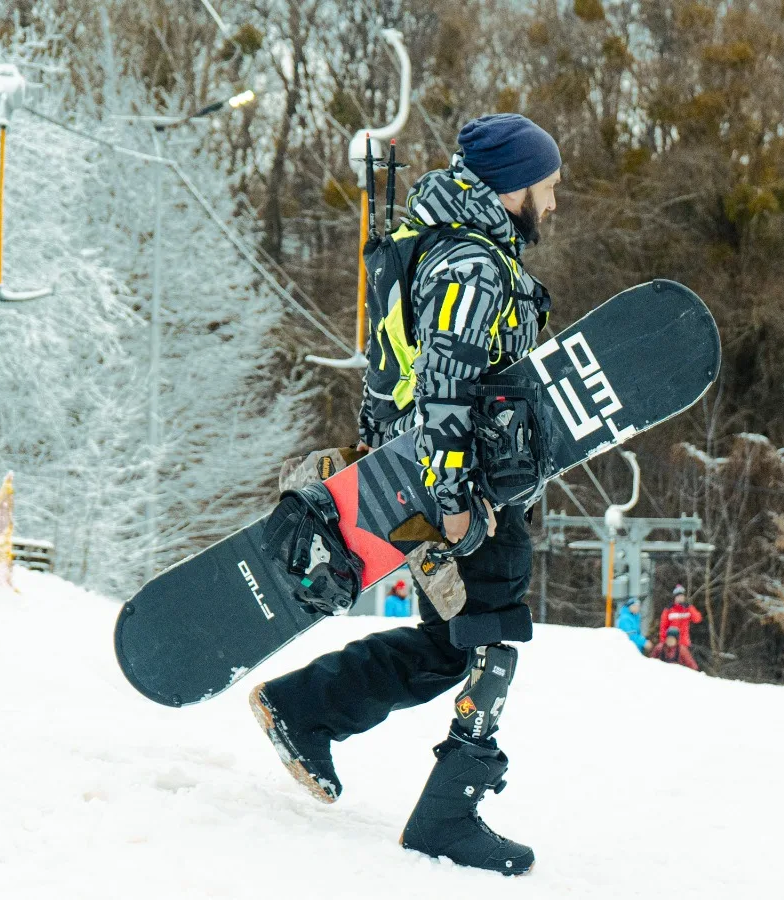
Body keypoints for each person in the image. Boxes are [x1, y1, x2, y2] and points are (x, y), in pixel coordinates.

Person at [247, 113, 561, 876]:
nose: (553, 203)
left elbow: (394, 369)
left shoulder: (431, 242)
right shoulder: (474, 262)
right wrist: (453, 496)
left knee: (450, 641)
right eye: (548, 186)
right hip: (459, 487)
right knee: (490, 633)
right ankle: (448, 817)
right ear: (513, 183)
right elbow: (448, 385)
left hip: (415, 471)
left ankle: (303, 709)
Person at [659, 584, 703, 649]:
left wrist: (690, 607)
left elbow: (697, 619)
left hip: (684, 643)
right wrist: (663, 643)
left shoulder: (688, 608)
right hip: (671, 644)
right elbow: (663, 628)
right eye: (678, 596)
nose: (680, 598)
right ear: (675, 597)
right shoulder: (668, 610)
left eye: (682, 595)